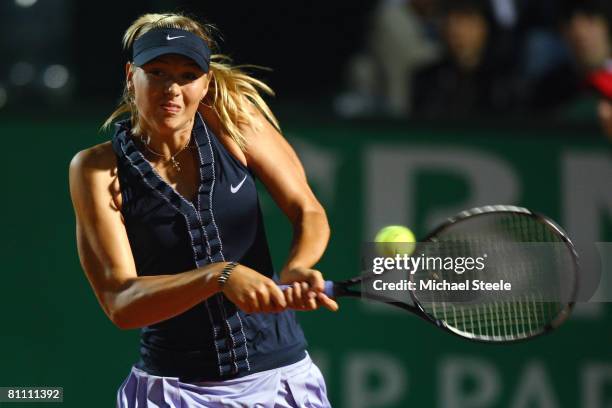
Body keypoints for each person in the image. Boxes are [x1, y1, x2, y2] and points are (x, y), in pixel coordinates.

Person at [68, 12, 337, 408]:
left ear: (206, 81)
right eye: (156, 72)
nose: (171, 89)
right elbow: (121, 303)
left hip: (281, 380)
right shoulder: (95, 169)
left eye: (187, 75)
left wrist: (298, 265)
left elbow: (308, 211)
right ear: (131, 76)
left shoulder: (236, 123)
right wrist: (219, 276)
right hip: (173, 392)